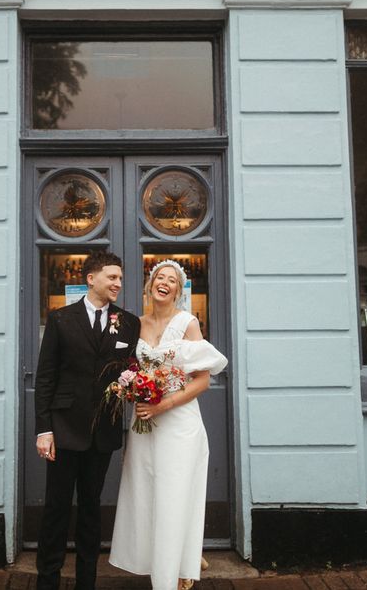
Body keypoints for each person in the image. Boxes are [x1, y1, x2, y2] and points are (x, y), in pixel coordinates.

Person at [109, 259, 228, 590]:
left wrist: (165, 404)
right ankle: (167, 560)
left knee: (175, 495)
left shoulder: (188, 324)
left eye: (172, 280)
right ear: (149, 286)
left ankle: (175, 573)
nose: (164, 282)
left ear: (179, 289)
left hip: (178, 422)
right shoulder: (135, 325)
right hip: (144, 423)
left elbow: (202, 381)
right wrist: (129, 387)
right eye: (159, 277)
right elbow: (127, 367)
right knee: (146, 494)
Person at [34, 250, 141, 590]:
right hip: (64, 429)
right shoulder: (61, 319)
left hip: (103, 432)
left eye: (120, 279)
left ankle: (86, 582)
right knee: (56, 510)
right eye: (112, 277)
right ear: (91, 278)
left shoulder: (128, 322)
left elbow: (132, 370)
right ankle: (47, 582)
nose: (118, 284)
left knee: (91, 510)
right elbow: (46, 377)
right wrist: (44, 429)